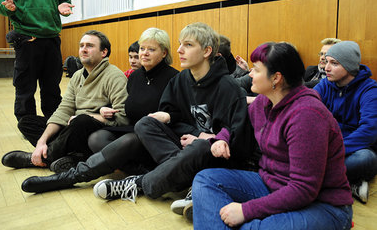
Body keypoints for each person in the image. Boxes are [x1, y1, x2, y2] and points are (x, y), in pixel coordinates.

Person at [192, 42, 353, 229]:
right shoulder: (264, 102)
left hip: (323, 205)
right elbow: (239, 124)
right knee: (206, 180)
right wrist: (223, 138)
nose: (250, 74)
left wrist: (247, 210)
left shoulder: (307, 115)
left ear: (276, 78)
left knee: (251, 226)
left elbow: (304, 189)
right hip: (272, 186)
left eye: (256, 70)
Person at [93, 22, 257, 205]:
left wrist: (204, 139)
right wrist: (186, 127)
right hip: (186, 148)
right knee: (145, 123)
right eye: (180, 44)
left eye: (188, 45)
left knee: (200, 147)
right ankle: (187, 180)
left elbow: (239, 142)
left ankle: (138, 184)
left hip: (215, 157)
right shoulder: (180, 80)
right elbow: (175, 117)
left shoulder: (228, 87)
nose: (179, 50)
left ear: (207, 51)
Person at [19, 28, 179, 194]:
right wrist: (42, 141)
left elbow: (176, 113)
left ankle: (67, 175)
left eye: (151, 49)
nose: (144, 53)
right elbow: (65, 108)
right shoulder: (136, 77)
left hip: (151, 134)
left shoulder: (173, 78)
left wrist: (166, 117)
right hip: (127, 129)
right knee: (94, 137)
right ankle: (66, 156)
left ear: (164, 52)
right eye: (142, 48)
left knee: (85, 124)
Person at [1, 30, 129, 174]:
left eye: (90, 46)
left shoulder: (114, 76)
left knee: (81, 121)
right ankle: (72, 157)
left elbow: (123, 118)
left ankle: (39, 158)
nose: (84, 49)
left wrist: (89, 117)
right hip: (72, 129)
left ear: (104, 52)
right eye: (81, 46)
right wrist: (41, 141)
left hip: (95, 132)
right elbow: (64, 109)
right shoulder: (77, 76)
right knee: (26, 123)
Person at [314, 41, 377, 203]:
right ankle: (345, 183)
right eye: (326, 61)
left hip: (352, 149)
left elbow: (368, 132)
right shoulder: (325, 84)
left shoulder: (370, 90)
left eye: (334, 63)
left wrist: (332, 150)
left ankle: (313, 180)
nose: (326, 67)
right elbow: (307, 105)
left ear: (349, 66)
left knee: (366, 158)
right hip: (326, 145)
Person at [0, 0, 74, 121]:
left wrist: (63, 5)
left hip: (52, 37)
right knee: (25, 87)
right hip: (26, 36)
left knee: (52, 86)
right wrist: (6, 7)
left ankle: (54, 122)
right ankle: (27, 124)